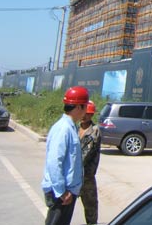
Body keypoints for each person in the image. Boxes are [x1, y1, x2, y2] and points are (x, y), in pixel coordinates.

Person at [41, 86, 89, 225]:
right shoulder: (64, 129)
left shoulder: (71, 127)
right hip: (61, 194)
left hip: (66, 192)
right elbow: (54, 162)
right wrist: (61, 192)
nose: (86, 111)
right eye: (85, 106)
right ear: (78, 107)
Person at [79, 100, 101, 225]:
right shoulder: (74, 128)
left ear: (91, 115)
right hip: (74, 175)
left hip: (87, 176)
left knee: (91, 208)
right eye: (83, 113)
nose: (84, 116)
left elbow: (84, 155)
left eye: (88, 114)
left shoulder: (94, 131)